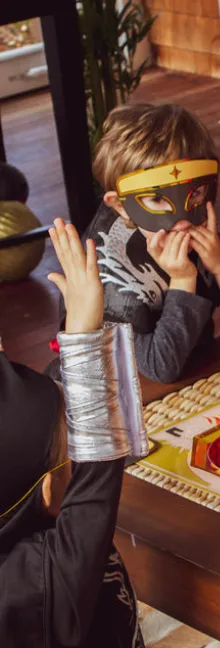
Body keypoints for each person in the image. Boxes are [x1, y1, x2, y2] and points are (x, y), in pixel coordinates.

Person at [1, 219, 148, 647]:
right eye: (76, 452)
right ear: (49, 492)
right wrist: (85, 336)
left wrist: (84, 333)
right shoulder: (38, 586)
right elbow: (100, 473)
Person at [52, 103, 220, 383]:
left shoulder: (199, 226)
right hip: (121, 390)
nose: (180, 221)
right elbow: (160, 368)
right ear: (120, 205)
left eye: (195, 193)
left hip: (198, 372)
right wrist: (183, 279)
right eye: (157, 200)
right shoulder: (109, 278)